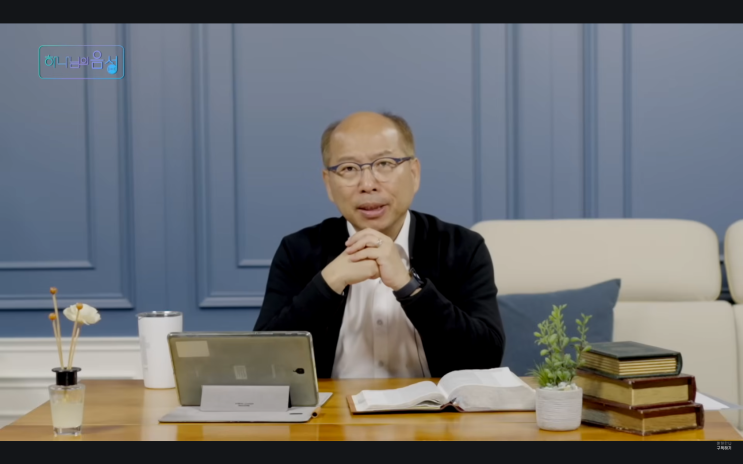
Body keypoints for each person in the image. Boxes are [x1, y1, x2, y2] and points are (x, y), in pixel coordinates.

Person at [255, 111, 505, 378]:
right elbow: (264, 363)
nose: (367, 184)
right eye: (348, 168)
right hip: (333, 406)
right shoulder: (297, 250)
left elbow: (486, 359)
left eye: (385, 164)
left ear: (414, 173)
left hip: (433, 405)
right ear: (328, 184)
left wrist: (409, 287)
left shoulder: (463, 247)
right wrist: (329, 282)